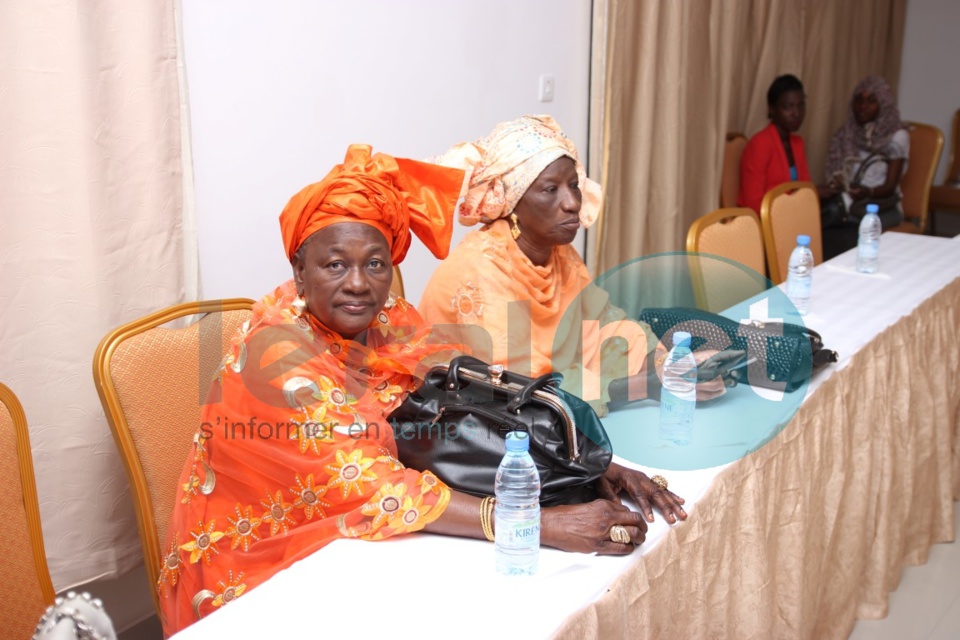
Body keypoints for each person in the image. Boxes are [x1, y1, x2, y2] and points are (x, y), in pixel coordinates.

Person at [159, 144, 687, 635]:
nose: (359, 284)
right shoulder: (276, 358)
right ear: (299, 272)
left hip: (370, 537)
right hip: (267, 564)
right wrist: (539, 523)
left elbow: (473, 397)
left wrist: (585, 459)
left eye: (375, 264)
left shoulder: (385, 317)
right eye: (334, 265)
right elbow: (375, 488)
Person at [418, 115, 742, 416]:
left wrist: (671, 365)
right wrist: (649, 385)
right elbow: (524, 393)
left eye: (574, 185)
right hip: (473, 425)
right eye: (550, 189)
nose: (573, 203)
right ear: (511, 202)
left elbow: (605, 328)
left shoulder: (558, 253)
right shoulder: (482, 272)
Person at [820, 75, 909, 258]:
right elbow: (835, 171)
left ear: (883, 104)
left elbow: (890, 186)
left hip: (879, 206)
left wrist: (867, 192)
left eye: (871, 101)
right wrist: (838, 182)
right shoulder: (846, 133)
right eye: (858, 100)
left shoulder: (897, 137)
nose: (862, 106)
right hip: (849, 203)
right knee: (825, 232)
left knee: (845, 235)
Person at [738, 74, 812, 215]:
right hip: (764, 224)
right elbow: (753, 203)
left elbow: (804, 190)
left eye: (801, 106)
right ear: (772, 109)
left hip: (793, 219)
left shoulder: (797, 143)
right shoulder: (760, 144)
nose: (796, 113)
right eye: (788, 107)